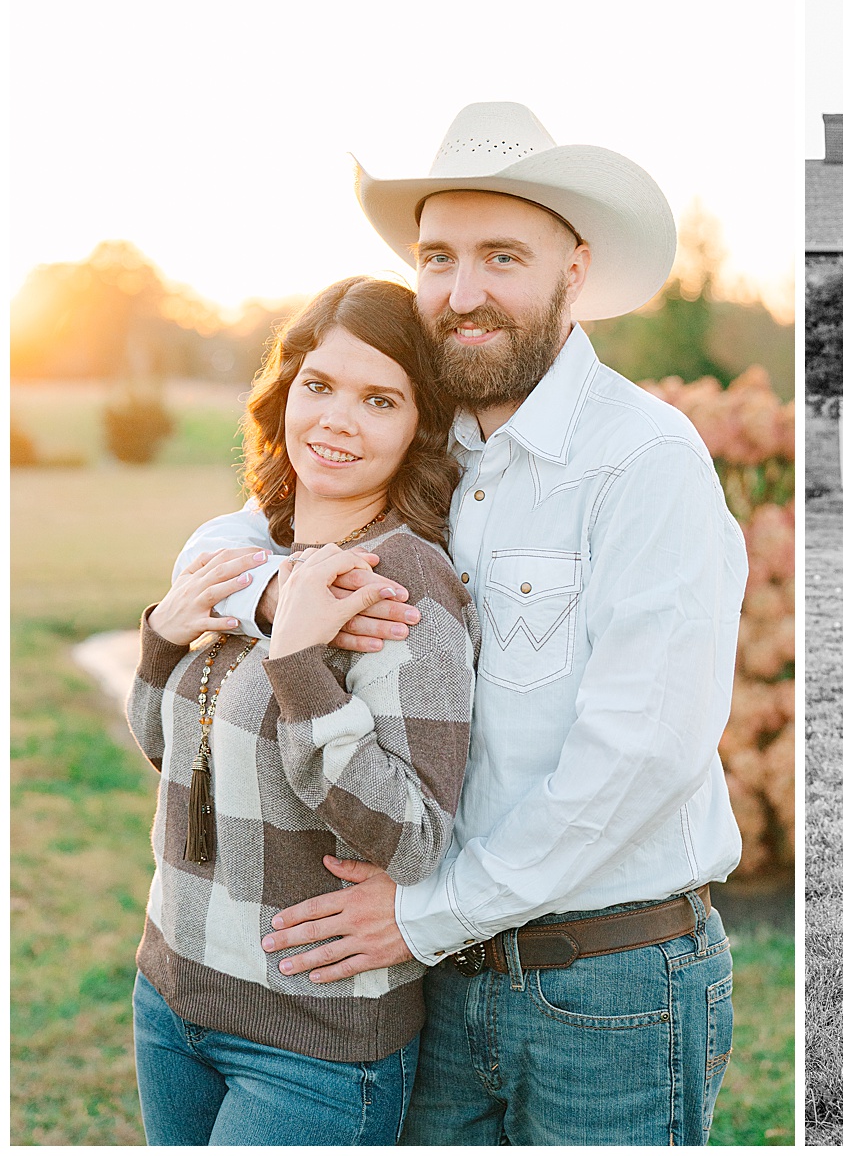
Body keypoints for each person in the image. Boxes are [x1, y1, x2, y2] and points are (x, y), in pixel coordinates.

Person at [172, 102, 748, 1144]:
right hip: (436, 986)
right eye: (438, 257)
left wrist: (426, 914)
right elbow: (238, 532)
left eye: (500, 256)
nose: (463, 291)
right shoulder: (433, 445)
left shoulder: (641, 460)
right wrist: (259, 596)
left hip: (607, 985)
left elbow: (639, 754)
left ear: (573, 268)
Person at [127, 276, 477, 1143]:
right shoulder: (250, 553)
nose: (337, 420)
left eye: (379, 399)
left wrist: (299, 671)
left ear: (419, 425)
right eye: (319, 386)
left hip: (312, 1045)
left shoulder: (402, 584)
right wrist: (163, 641)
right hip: (172, 995)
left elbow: (415, 837)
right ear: (285, 391)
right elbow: (171, 749)